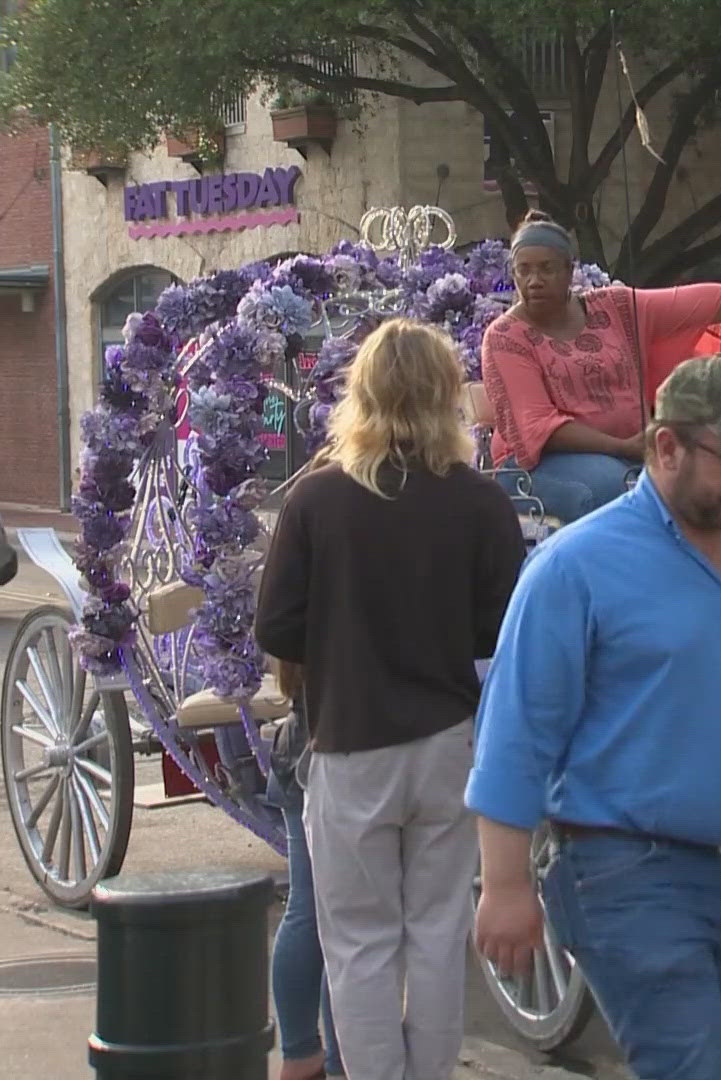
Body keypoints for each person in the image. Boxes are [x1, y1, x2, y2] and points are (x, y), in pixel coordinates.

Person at [468, 354, 721, 1080]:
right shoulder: (575, 568)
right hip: (627, 877)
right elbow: (515, 736)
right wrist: (505, 887)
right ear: (665, 447)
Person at [256, 318, 527, 1080]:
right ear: (448, 397)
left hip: (351, 743)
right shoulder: (481, 504)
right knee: (438, 935)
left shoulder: (318, 500)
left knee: (360, 943)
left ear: (361, 393)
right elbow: (500, 627)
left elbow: (276, 623)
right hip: (447, 744)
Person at [480, 211, 721, 522]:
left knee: (713, 476)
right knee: (619, 487)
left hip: (633, 448)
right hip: (540, 465)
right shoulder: (506, 337)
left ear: (569, 269)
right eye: (523, 270)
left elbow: (699, 301)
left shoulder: (616, 307)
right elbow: (539, 427)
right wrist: (624, 447)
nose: (534, 280)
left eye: (546, 269)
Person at [264, 662, 343, 1080]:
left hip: (302, 735)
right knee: (346, 919)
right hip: (334, 742)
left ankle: (301, 1054)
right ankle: (337, 1063)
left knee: (309, 907)